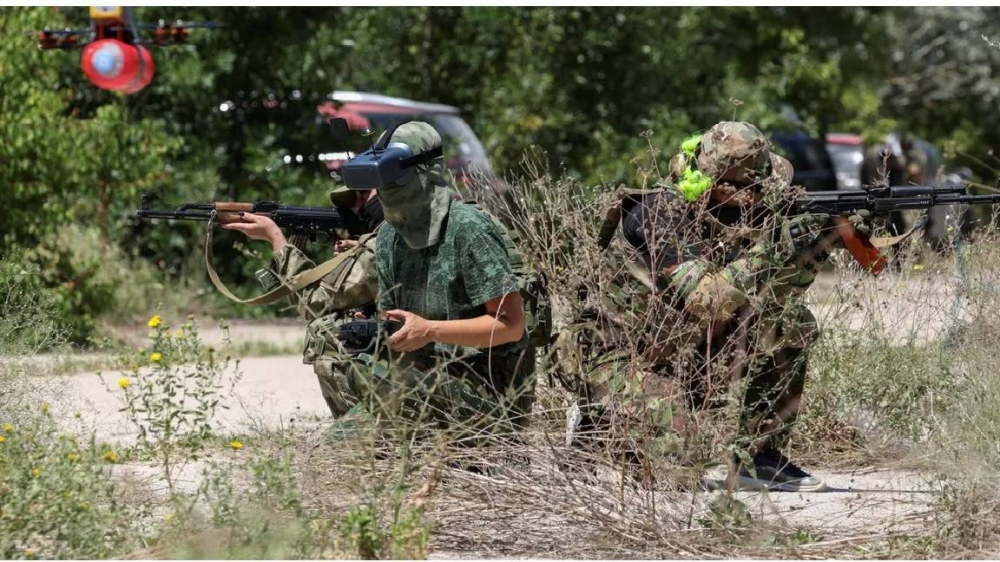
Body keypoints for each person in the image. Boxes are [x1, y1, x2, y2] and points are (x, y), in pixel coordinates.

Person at [558, 121, 876, 492]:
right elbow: (705, 299)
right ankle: (597, 425)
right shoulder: (658, 213)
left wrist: (812, 247)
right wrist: (772, 248)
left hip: (684, 347)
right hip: (614, 353)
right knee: (681, 463)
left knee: (790, 322)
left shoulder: (737, 213)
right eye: (755, 188)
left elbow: (770, 298)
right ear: (724, 187)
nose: (764, 194)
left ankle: (759, 457)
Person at [347, 121, 537, 445]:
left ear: (426, 171)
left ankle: (491, 457)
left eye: (396, 180)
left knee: (401, 401)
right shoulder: (389, 237)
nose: (389, 191)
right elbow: (395, 319)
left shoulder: (468, 229)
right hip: (419, 383)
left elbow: (511, 326)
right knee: (340, 443)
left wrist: (430, 330)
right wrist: (377, 331)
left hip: (485, 391)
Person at [220, 184, 385, 419]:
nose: (359, 204)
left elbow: (314, 303)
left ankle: (363, 428)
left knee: (327, 330)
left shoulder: (383, 244)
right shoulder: (402, 233)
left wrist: (276, 238)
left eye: (365, 193)